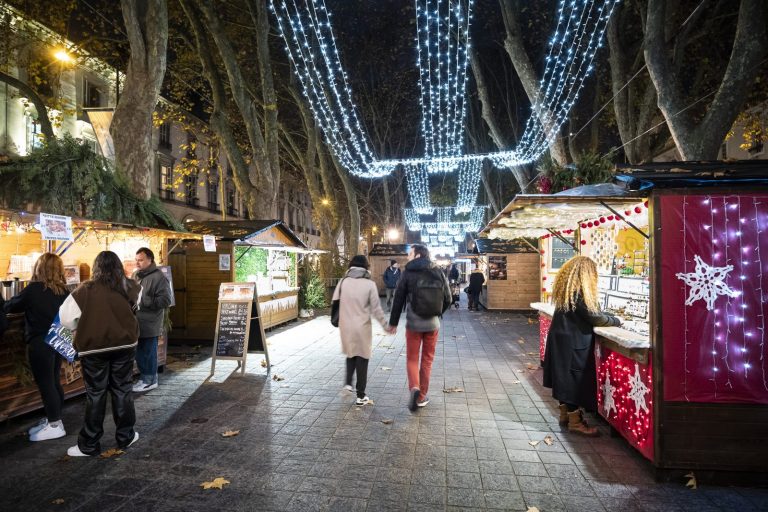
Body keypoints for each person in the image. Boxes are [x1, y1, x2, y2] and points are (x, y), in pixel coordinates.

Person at [59, 251, 142, 456]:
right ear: (118, 267)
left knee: (95, 394)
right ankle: (126, 437)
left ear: (96, 267)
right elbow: (136, 306)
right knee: (122, 390)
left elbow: (66, 319)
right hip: (124, 345)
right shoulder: (131, 286)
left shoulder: (83, 290)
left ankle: (89, 445)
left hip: (93, 349)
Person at [542, 256, 621, 436]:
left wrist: (604, 314)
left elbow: (592, 312)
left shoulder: (569, 290)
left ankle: (565, 414)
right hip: (573, 342)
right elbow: (596, 318)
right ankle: (575, 422)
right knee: (572, 381)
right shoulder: (579, 292)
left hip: (561, 339)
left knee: (563, 378)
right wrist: (616, 320)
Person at [4, 253, 70, 441]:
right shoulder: (64, 290)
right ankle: (55, 419)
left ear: (39, 268)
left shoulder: (33, 289)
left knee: (46, 383)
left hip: (40, 342)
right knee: (54, 380)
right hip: (59, 339)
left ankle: (55, 424)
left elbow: (10, 306)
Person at [388, 244, 451, 411]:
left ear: (417, 255)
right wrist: (438, 314)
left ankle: (414, 387)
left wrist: (393, 322)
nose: (408, 256)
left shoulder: (408, 273)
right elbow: (448, 298)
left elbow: (398, 298)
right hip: (433, 324)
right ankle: (422, 396)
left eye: (410, 253)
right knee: (427, 360)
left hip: (414, 323)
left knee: (412, 358)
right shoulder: (438, 271)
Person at [334, 255, 393, 405]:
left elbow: (335, 302)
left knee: (350, 354)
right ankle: (361, 395)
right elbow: (376, 309)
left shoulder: (343, 282)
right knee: (362, 358)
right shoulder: (369, 284)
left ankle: (348, 384)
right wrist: (386, 325)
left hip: (345, 325)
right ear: (366, 267)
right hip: (362, 326)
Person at [132, 247, 172, 393]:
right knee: (140, 352)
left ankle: (151, 380)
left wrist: (144, 301)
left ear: (150, 259)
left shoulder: (159, 277)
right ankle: (144, 378)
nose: (137, 263)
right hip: (137, 322)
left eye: (141, 260)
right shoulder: (136, 275)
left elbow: (166, 300)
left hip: (150, 323)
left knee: (148, 352)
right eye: (136, 260)